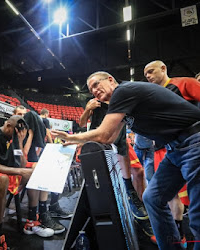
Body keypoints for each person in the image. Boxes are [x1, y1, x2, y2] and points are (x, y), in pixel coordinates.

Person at [52, 71, 200, 249]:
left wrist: (75, 138)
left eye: (96, 85)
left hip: (194, 140)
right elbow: (111, 138)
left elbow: (105, 134)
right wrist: (79, 141)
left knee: (197, 218)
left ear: (110, 79)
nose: (94, 91)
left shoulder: (124, 91)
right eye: (91, 90)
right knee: (152, 199)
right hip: (174, 148)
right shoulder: (121, 102)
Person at [144, 60, 200, 244]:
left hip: (193, 144)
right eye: (146, 75)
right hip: (169, 151)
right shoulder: (151, 98)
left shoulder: (184, 83)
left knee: (197, 216)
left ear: (163, 68)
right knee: (152, 198)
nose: (149, 76)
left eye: (151, 72)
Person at [0, 115, 57, 239]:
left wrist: (19, 143)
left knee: (35, 170)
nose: (17, 135)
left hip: (4, 172)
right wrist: (20, 171)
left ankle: (32, 220)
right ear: (8, 126)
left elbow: (22, 163)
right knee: (5, 179)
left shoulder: (12, 139)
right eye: (16, 132)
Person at [39, 108, 73, 219]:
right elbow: (48, 134)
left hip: (39, 151)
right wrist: (52, 146)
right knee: (55, 170)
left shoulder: (33, 123)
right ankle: (49, 207)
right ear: (47, 114)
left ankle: (53, 206)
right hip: (41, 153)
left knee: (59, 169)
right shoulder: (45, 121)